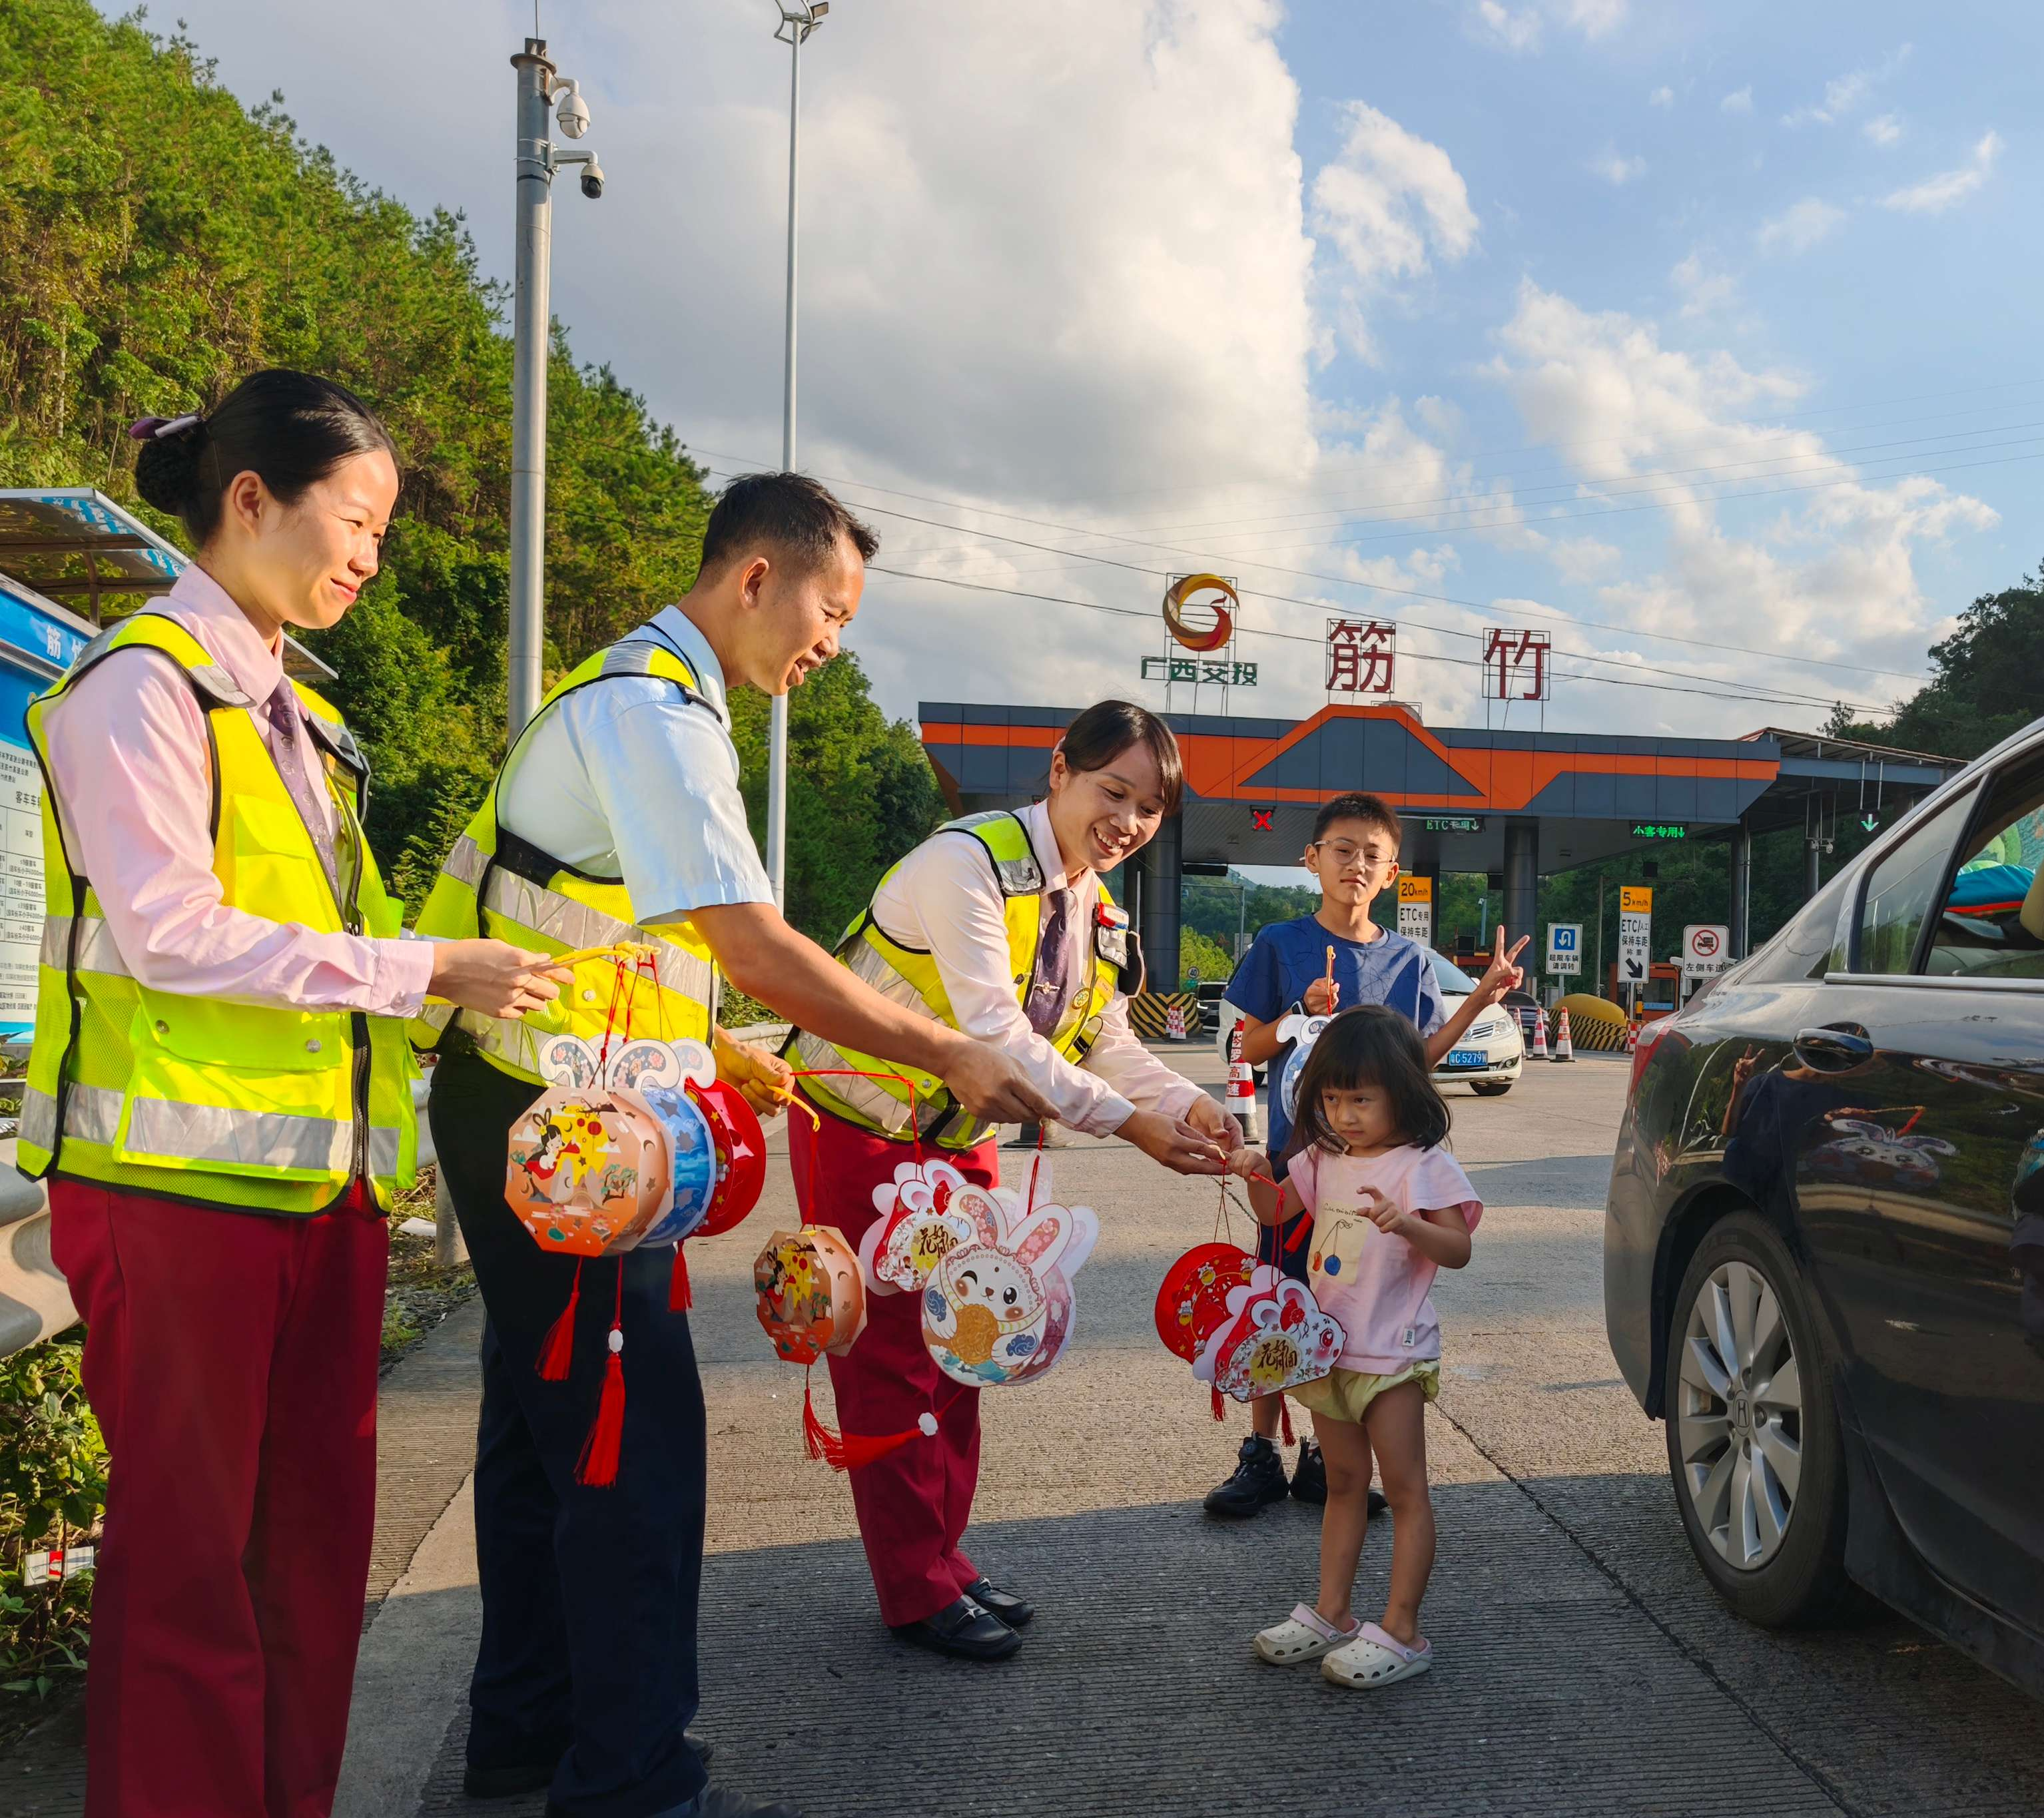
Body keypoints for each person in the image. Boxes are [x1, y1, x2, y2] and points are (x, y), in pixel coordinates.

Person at [412, 472, 1057, 1818]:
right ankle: (632, 1778)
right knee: (629, 1456)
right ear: (754, 578)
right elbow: (748, 937)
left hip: (542, 1115)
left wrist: (721, 1052)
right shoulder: (652, 712)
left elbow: (629, 950)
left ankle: (523, 1737)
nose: (831, 644)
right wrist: (942, 1049)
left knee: (543, 1443)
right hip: (566, 1144)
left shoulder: (642, 696)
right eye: (829, 609)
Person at [23, 372, 563, 1818]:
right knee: (189, 1572)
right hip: (169, 1197)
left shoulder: (302, 726)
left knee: (312, 1562)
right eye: (358, 520)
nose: (371, 559)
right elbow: (171, 932)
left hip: (320, 1199)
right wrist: (423, 965)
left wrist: (450, 985)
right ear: (250, 500)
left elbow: (342, 974)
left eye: (384, 533)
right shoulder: (141, 688)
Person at [779, 699, 1235, 1664]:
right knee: (892, 1358)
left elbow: (1105, 1040)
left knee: (965, 1344)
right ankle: (913, 1586)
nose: (1128, 822)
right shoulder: (966, 863)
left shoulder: (1096, 906)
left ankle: (944, 1553)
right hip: (865, 1124)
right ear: (1059, 767)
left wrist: (1187, 1103)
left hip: (956, 1138)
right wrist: (1136, 1126)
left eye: (1150, 809)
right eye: (1115, 791)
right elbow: (1000, 1032)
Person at [1202, 792, 1525, 1517]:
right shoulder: (1280, 944)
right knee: (1277, 1300)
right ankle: (1261, 1452)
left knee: (1344, 1299)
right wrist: (1298, 1016)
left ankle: (1324, 1454)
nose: (1355, 865)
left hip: (1373, 1169)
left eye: (1370, 856)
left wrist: (1480, 997)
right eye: (1341, 850)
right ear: (1310, 859)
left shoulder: (1408, 959)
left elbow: (1420, 1059)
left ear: (1392, 874)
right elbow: (1243, 1046)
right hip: (1299, 1161)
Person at [1233, 1006, 1479, 1688]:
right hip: (1328, 1350)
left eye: (1360, 1099)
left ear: (1403, 1090)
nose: (1344, 1114)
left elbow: (1458, 1250)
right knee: (1342, 1483)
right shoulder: (1321, 1158)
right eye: (1332, 1099)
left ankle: (1403, 1628)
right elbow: (1275, 1212)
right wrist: (1254, 1168)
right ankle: (1331, 1613)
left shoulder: (1424, 1166)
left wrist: (1407, 1224)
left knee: (1404, 1491)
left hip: (1392, 1355)